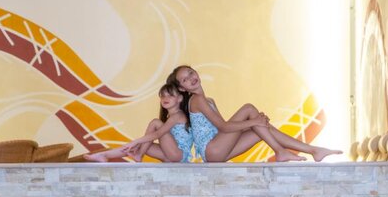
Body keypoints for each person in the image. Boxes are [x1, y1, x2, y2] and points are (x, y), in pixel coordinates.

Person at [168, 65, 342, 163]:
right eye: (185, 80)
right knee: (249, 109)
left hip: (218, 150)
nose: (191, 78)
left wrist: (254, 124)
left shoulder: (209, 100)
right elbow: (224, 127)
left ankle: (312, 150)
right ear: (182, 88)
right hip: (212, 150)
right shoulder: (197, 100)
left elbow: (222, 129)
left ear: (196, 72)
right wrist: (253, 121)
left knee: (261, 130)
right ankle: (281, 151)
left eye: (191, 73)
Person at [84, 83, 194, 163]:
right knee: (140, 146)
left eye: (170, 95)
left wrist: (135, 141)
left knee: (155, 123)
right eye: (163, 95)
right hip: (170, 156)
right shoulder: (170, 117)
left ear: (180, 98)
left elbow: (157, 134)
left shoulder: (178, 116)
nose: (165, 98)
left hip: (178, 155)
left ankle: (139, 155)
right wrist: (136, 144)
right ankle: (104, 155)